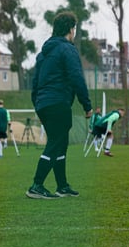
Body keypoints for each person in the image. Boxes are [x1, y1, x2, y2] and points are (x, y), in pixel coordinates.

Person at [27, 11, 92, 199]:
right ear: (71, 29)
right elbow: (76, 78)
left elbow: (35, 82)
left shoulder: (43, 54)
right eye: (74, 28)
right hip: (58, 102)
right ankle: (36, 185)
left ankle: (62, 186)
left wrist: (37, 105)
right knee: (56, 143)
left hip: (44, 103)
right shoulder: (67, 49)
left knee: (60, 143)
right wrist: (86, 105)